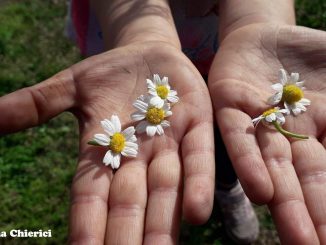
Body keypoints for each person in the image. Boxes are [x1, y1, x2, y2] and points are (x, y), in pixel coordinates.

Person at [0, 0, 325, 244]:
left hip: (229, 50)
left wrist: (256, 19)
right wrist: (140, 33)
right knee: (199, 129)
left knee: (231, 133)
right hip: (128, 37)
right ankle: (224, 188)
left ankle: (228, 188)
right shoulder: (149, 104)